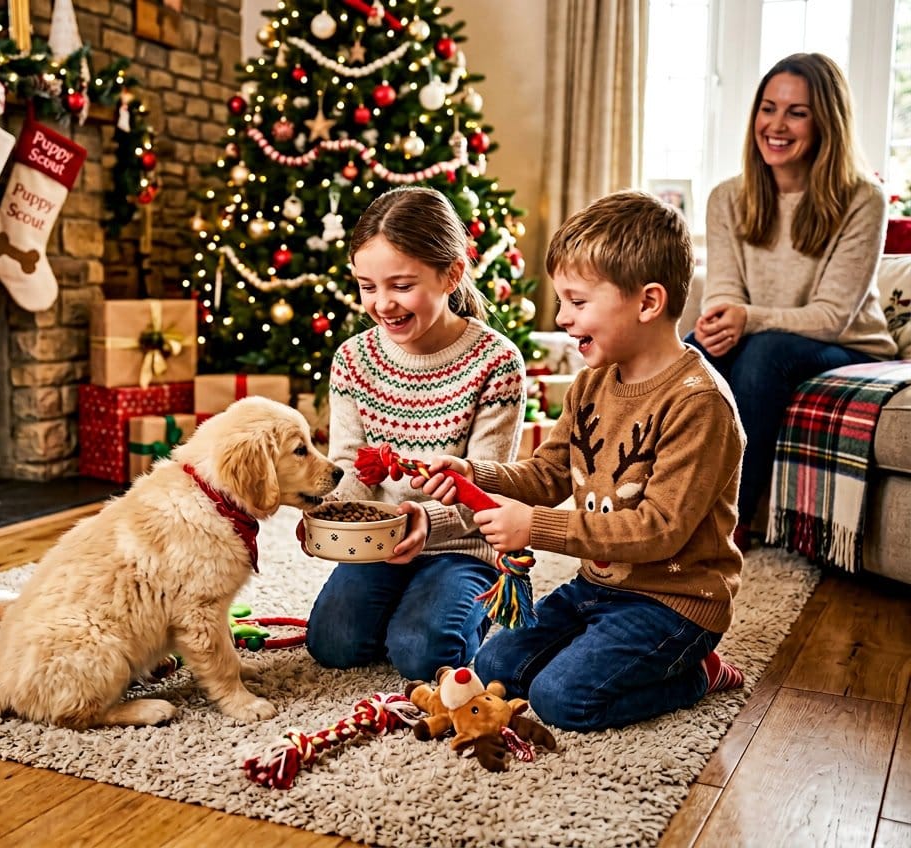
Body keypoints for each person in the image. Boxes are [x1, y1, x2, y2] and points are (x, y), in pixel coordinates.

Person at [415, 190, 747, 732]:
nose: (562, 317)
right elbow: (548, 474)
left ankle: (698, 673)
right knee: (495, 667)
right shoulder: (592, 383)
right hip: (599, 586)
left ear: (647, 303)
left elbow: (659, 529)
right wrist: (476, 474)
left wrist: (535, 528)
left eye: (577, 301)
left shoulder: (699, 404)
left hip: (675, 602)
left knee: (563, 699)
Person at [302, 185, 527, 682]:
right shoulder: (353, 359)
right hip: (380, 540)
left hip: (461, 544)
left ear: (452, 274)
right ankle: (409, 603)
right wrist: (325, 514)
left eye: (401, 286)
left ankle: (463, 605)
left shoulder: (496, 362)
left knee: (423, 654)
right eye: (367, 286)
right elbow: (350, 467)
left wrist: (427, 520)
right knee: (332, 643)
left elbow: (486, 488)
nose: (383, 304)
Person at [688, 53, 897, 551]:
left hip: (848, 345)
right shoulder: (727, 197)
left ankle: (726, 526)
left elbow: (832, 316)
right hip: (764, 336)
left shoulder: (863, 199)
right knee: (688, 356)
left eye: (796, 113)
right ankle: (647, 506)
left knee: (764, 354)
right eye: (768, 108)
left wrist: (747, 318)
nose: (776, 125)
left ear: (826, 121)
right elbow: (724, 291)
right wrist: (720, 321)